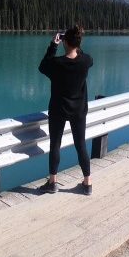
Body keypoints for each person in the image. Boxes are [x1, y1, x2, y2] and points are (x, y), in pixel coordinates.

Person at [37, 25, 94, 195]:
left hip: (58, 109)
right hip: (79, 110)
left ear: (65, 42)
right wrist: (76, 46)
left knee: (55, 144)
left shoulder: (57, 63)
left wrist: (53, 45)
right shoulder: (85, 61)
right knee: (80, 144)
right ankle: (87, 184)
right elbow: (84, 56)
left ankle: (52, 182)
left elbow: (42, 66)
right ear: (78, 43)